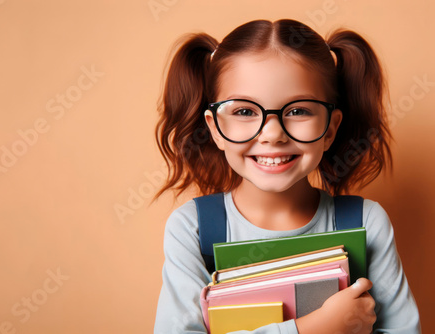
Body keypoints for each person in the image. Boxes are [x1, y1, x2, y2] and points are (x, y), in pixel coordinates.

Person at [153, 19, 420, 334]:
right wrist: (315, 327)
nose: (273, 134)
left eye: (298, 111)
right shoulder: (193, 230)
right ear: (215, 129)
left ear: (330, 128)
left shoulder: (367, 221)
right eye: (244, 111)